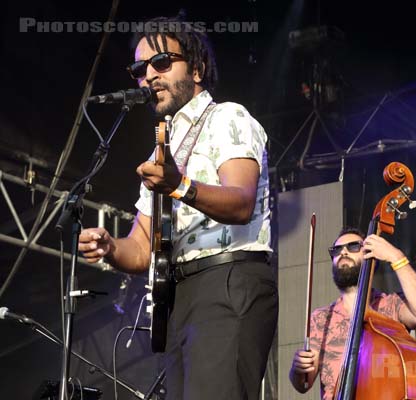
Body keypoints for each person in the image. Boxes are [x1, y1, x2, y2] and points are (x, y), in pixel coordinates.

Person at [78, 13, 277, 400]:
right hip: (178, 295)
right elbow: (139, 249)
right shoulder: (162, 149)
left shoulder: (227, 117)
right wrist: (109, 248)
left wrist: (180, 185)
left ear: (197, 68)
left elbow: (241, 202)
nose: (149, 76)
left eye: (162, 63)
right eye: (140, 68)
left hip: (229, 279)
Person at [289, 227, 416, 399]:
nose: (343, 252)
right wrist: (297, 369)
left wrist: (396, 257)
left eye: (353, 247)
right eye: (336, 250)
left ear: (371, 257)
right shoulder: (322, 318)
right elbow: (304, 384)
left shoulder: (391, 305)